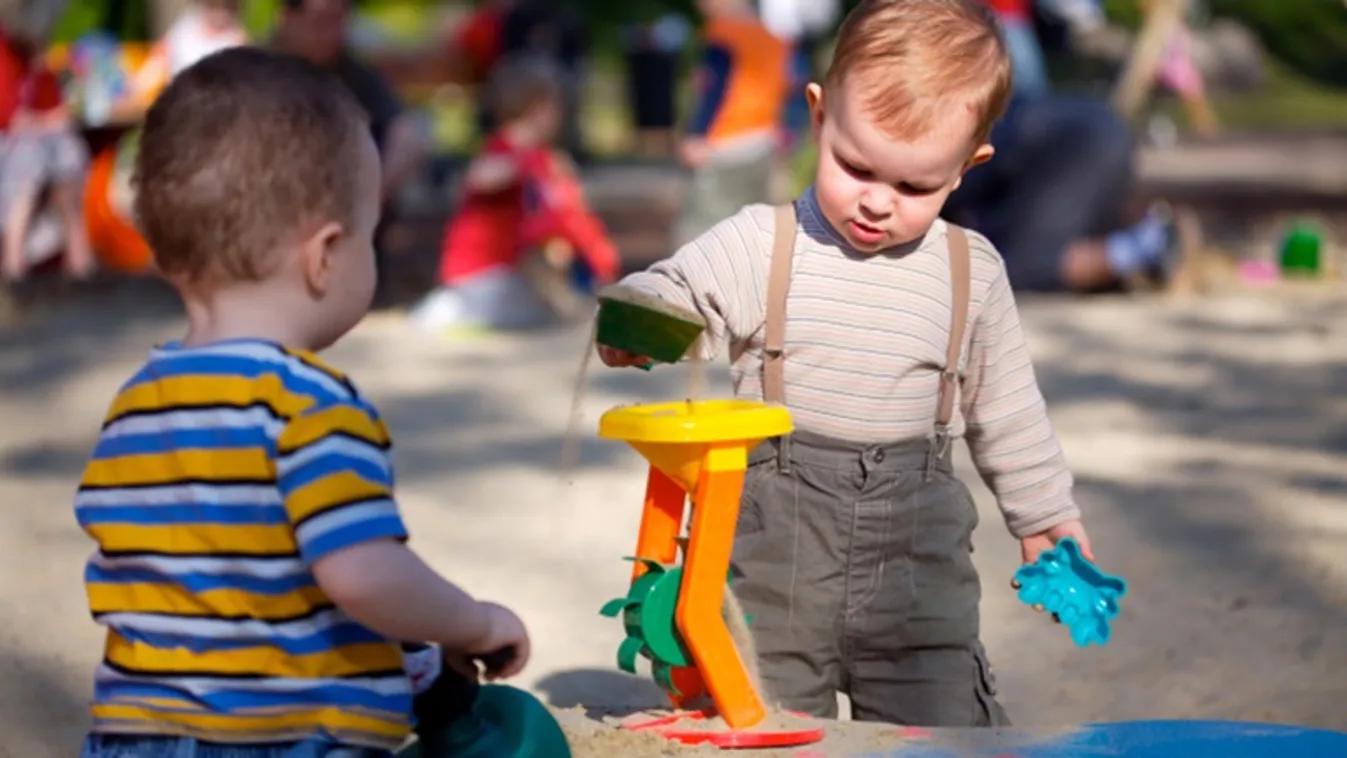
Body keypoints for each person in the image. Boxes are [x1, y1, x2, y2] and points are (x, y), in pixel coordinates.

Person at [596, 0, 1092, 726]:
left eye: (914, 186)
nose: (876, 202)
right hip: (771, 562)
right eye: (855, 165)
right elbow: (676, 288)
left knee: (944, 729)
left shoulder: (970, 270)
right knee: (760, 719)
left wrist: (1045, 514)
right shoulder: (761, 242)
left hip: (917, 577)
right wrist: (644, 316)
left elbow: (1008, 410)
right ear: (819, 117)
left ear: (967, 165)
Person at [74, 48, 530, 757]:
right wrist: (473, 622)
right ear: (323, 256)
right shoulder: (310, 407)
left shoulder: (136, 406)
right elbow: (363, 574)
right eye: (369, 235)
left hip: (134, 738)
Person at [943, 0, 1175, 292]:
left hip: (1078, 144)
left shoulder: (954, 145)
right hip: (1095, 128)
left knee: (1029, 268)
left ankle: (1140, 248)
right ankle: (1139, 245)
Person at [411, 56, 619, 334]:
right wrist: (517, 169)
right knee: (524, 309)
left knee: (546, 300)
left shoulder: (543, 158)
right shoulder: (503, 153)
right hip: (482, 273)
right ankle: (451, 308)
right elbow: (479, 176)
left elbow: (566, 214)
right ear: (539, 107)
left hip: (513, 269)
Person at [273, 0, 428, 299]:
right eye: (321, 22)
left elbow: (407, 134)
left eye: (339, 21)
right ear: (288, 19)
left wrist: (373, 191)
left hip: (346, 208)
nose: (331, 33)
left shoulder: (353, 72)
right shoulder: (252, 69)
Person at [674, 0, 788, 248]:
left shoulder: (724, 33)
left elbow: (712, 88)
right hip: (762, 139)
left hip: (724, 142)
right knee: (751, 228)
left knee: (703, 229)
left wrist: (696, 133)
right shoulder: (771, 36)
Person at [0, 23, 93, 282]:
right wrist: (49, 120)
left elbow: (58, 109)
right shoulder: (5, 52)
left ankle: (79, 255)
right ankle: (13, 259)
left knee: (67, 150)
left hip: (37, 146)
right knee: (30, 157)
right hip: (10, 149)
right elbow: (12, 119)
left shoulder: (34, 62)